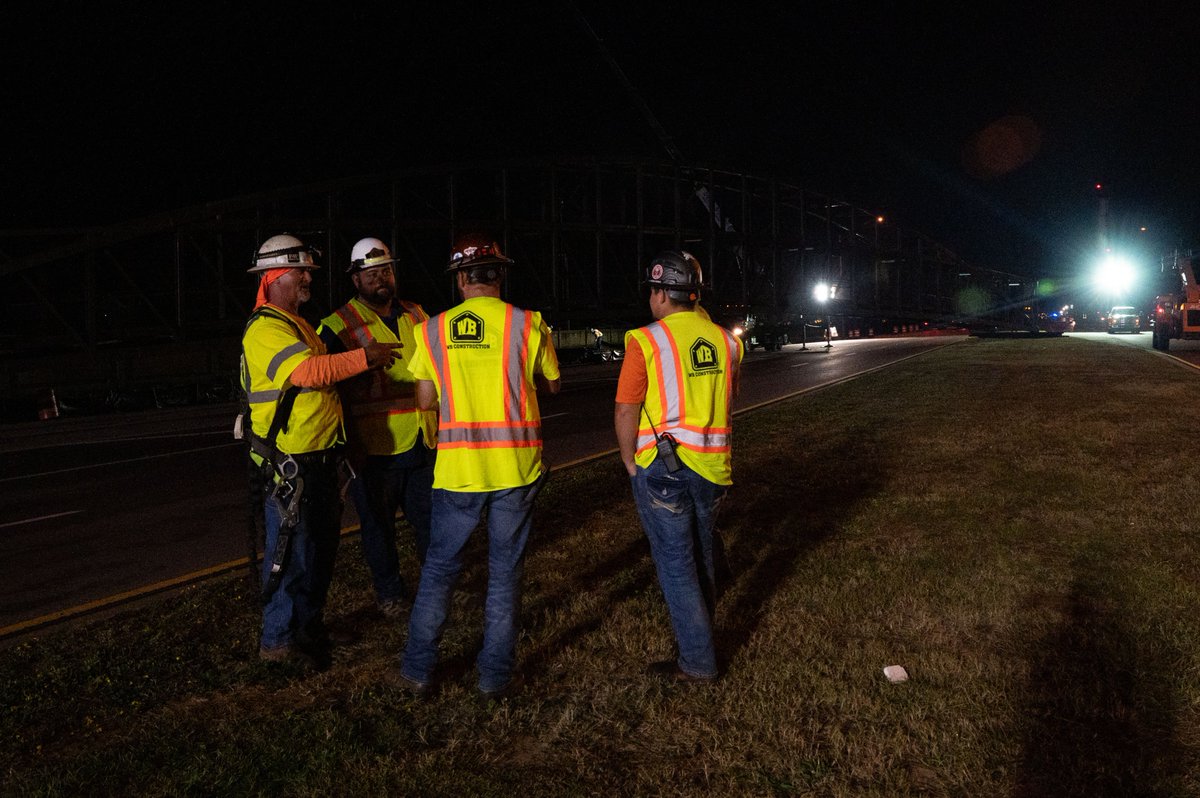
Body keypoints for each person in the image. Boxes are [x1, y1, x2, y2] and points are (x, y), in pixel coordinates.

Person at [390, 237, 560, 699]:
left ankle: (417, 671)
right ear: (499, 276)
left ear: (460, 278)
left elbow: (425, 399)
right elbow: (552, 383)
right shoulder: (528, 325)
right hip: (515, 468)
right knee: (505, 574)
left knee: (440, 571)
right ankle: (494, 678)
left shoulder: (430, 331)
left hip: (457, 472)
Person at [241, 233, 400, 669]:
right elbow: (309, 373)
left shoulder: (298, 323)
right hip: (290, 465)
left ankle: (307, 631)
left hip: (318, 460)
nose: (309, 277)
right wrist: (364, 358)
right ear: (274, 277)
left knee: (317, 554)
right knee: (291, 556)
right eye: (302, 271)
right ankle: (277, 643)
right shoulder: (266, 328)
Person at [613, 249, 743, 683]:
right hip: (713, 467)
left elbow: (626, 409)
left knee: (676, 564)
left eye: (652, 291)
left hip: (664, 467)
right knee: (701, 552)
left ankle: (698, 662)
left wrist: (629, 461)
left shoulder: (645, 340)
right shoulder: (728, 342)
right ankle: (702, 638)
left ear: (660, 294)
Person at [317, 237, 437, 620]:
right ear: (356, 280)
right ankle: (390, 595)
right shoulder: (336, 327)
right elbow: (326, 389)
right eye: (371, 273)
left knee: (431, 525)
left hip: (422, 440)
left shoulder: (417, 313)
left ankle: (437, 589)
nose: (381, 278)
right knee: (378, 530)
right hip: (372, 449)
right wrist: (347, 443)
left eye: (385, 270)